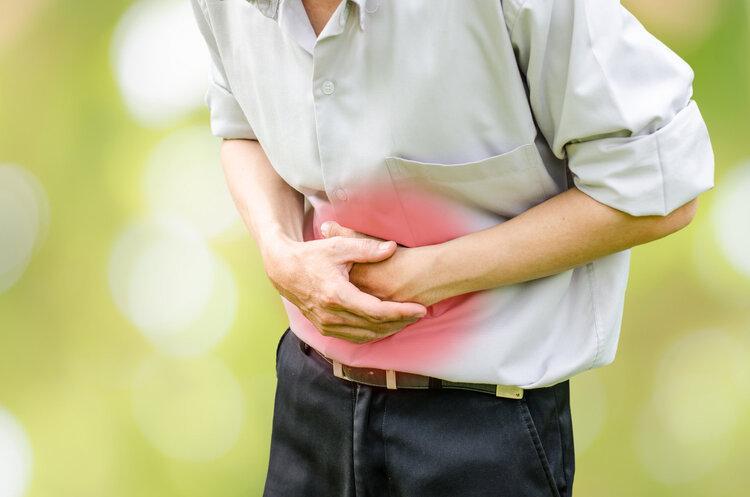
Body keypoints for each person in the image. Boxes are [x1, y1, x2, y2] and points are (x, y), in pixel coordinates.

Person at [190, 0, 715, 495]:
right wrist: (277, 248)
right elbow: (242, 125)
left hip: (485, 428)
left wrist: (423, 276)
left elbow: (662, 188)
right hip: (308, 401)